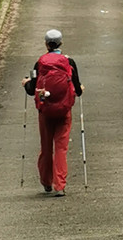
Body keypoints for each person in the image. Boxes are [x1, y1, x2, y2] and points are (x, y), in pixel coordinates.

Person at [22, 28, 82, 195]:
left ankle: (46, 182)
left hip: (45, 111)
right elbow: (77, 88)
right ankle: (60, 186)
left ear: (46, 44)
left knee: (46, 147)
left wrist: (26, 83)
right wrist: (79, 89)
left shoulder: (39, 63)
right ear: (61, 43)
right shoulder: (69, 62)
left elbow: (31, 89)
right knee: (61, 148)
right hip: (64, 111)